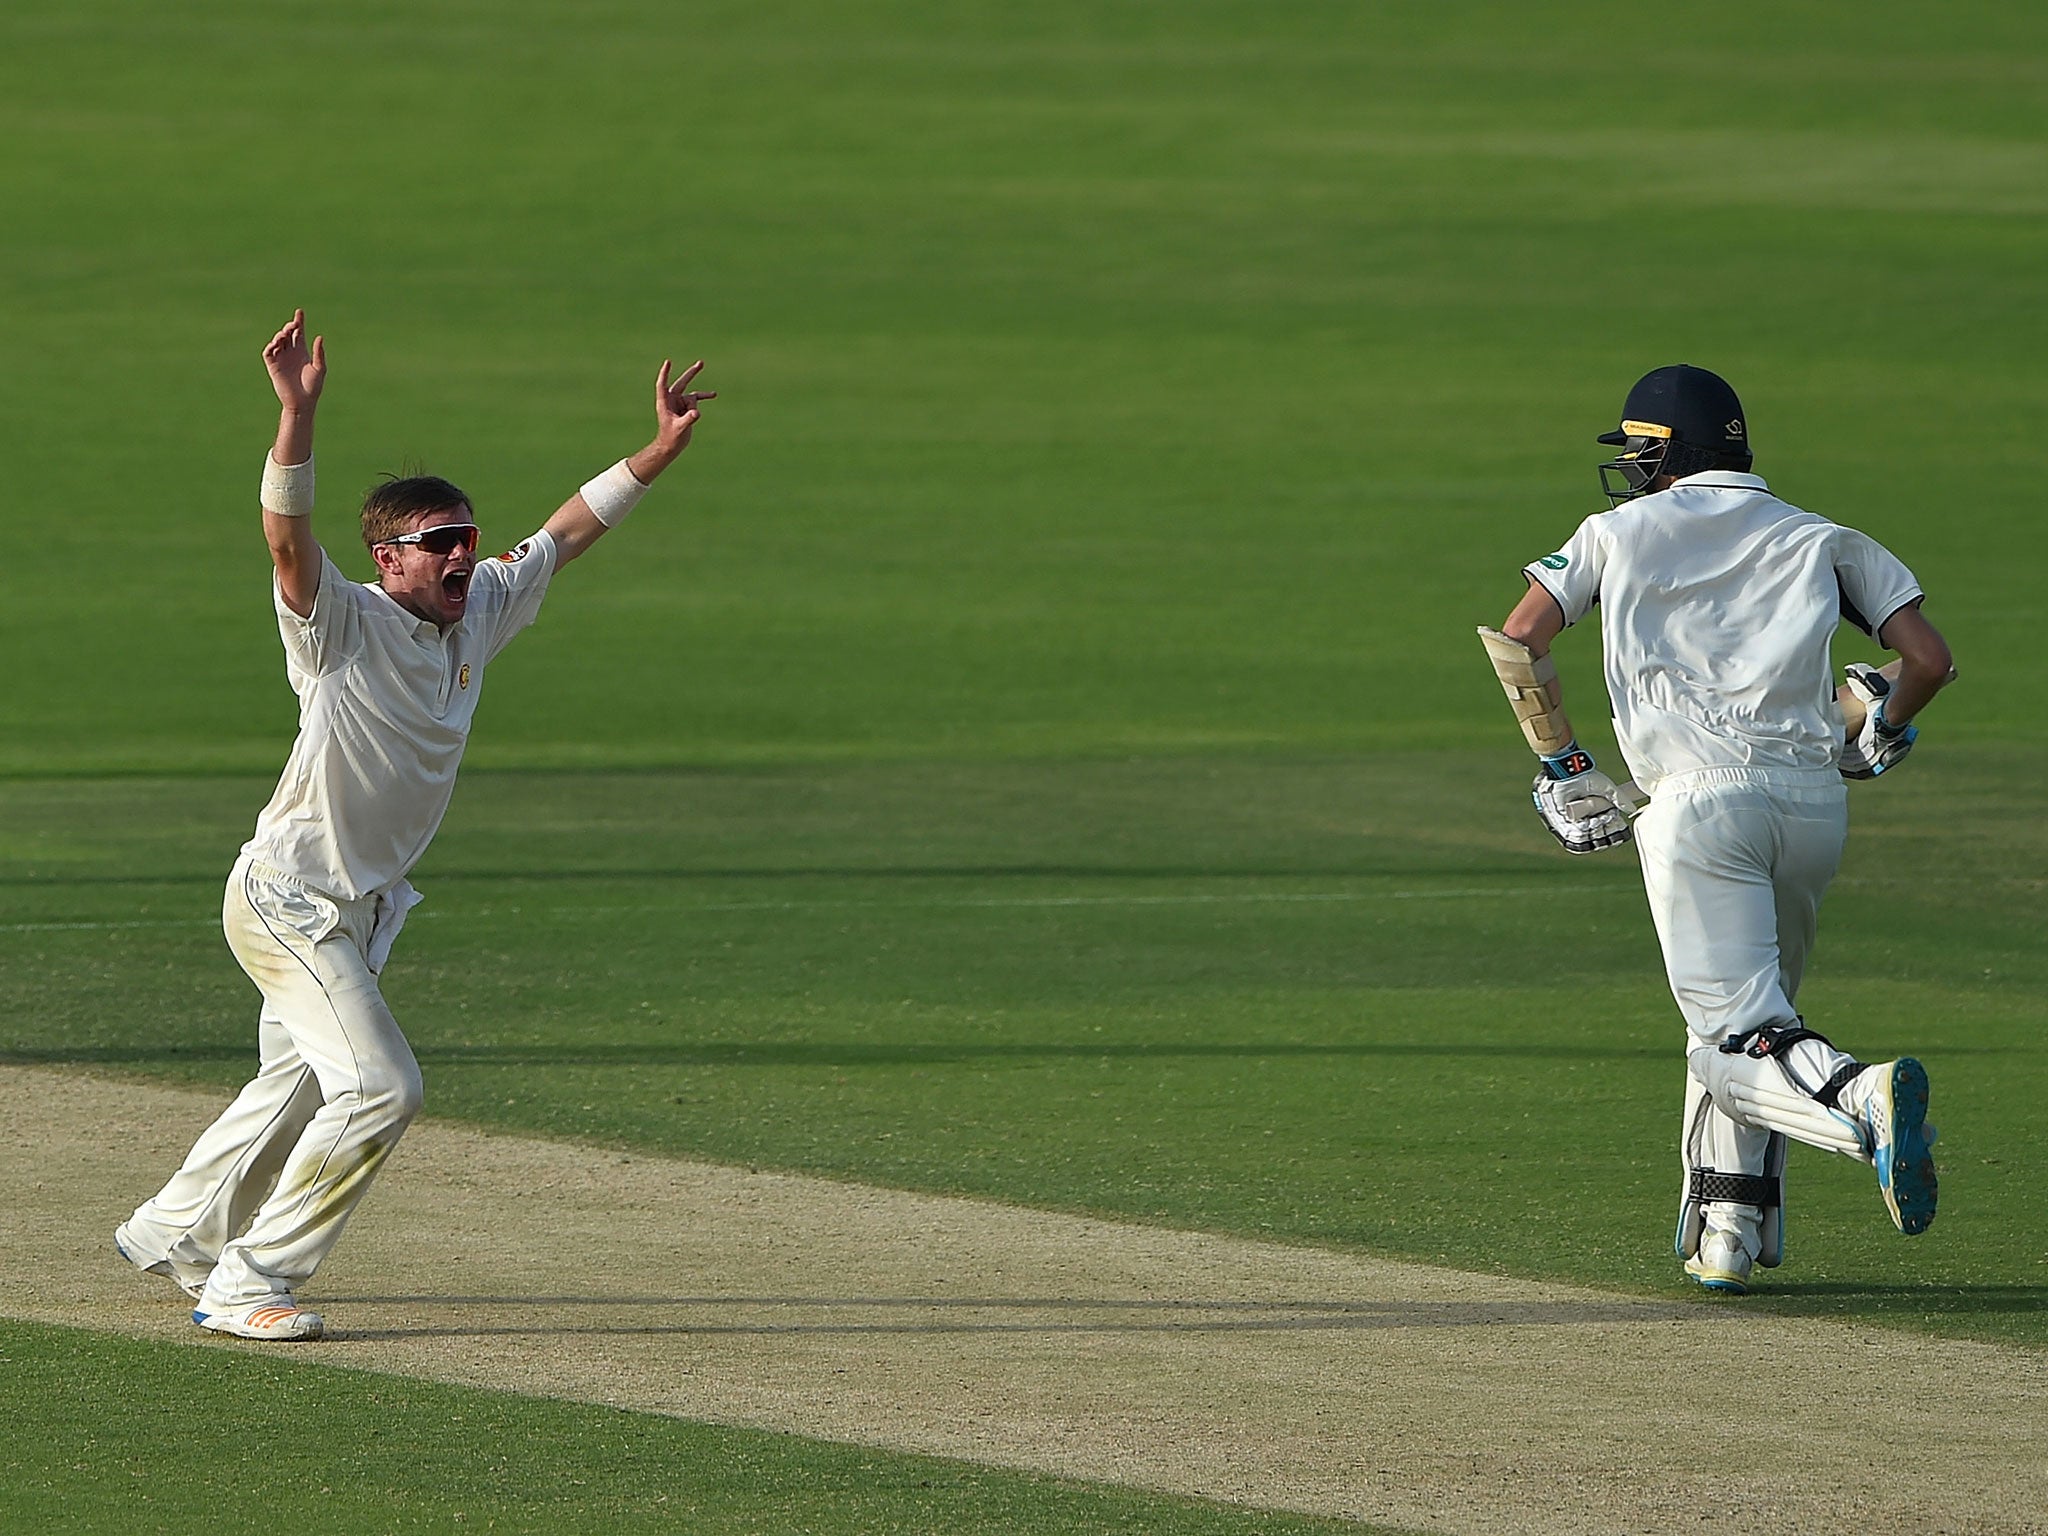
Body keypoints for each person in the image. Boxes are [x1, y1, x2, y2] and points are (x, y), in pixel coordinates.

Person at [114, 309, 715, 1339]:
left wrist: (655, 453)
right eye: (438, 543)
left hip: (361, 910)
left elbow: (564, 532)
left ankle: (176, 1231)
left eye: (467, 539)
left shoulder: (477, 605)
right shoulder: (338, 622)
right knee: (382, 1087)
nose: (460, 557)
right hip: (289, 900)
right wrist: (296, 416)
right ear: (388, 558)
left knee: (297, 1083)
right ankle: (250, 1281)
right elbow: (283, 538)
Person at [1477, 363, 1951, 1295]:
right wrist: (1880, 727)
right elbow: (1927, 660)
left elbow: (1520, 638)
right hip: (1814, 803)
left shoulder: (1616, 531)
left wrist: (1567, 767)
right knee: (1758, 1017)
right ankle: (1730, 1225)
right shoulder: (1824, 538)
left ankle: (1863, 1097)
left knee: (1740, 1036)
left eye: (1639, 451)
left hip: (1696, 803)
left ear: (1669, 455)